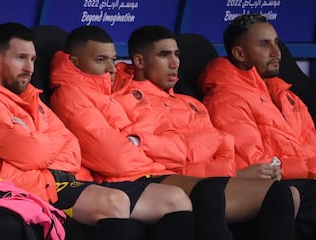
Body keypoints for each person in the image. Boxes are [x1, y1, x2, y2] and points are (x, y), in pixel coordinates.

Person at [49, 25, 299, 240]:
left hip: (161, 172)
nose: (111, 68)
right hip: (129, 180)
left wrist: (151, 149)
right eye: (101, 60)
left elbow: (221, 142)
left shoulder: (182, 100)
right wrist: (159, 153)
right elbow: (117, 157)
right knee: (207, 194)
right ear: (75, 62)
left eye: (112, 60)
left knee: (281, 194)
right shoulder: (94, 94)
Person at [0, 22, 195, 240]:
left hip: (61, 178)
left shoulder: (33, 98)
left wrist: (41, 142)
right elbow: (33, 152)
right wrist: (47, 143)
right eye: (20, 58)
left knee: (175, 200)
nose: (29, 68)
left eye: (32, 59)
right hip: (28, 188)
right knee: (114, 203)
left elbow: (72, 148)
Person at [198, 13, 316, 240]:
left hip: (303, 180)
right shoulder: (226, 99)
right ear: (239, 53)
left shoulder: (286, 96)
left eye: (276, 42)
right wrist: (310, 167)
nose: (276, 52)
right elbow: (257, 166)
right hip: (269, 188)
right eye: (264, 44)